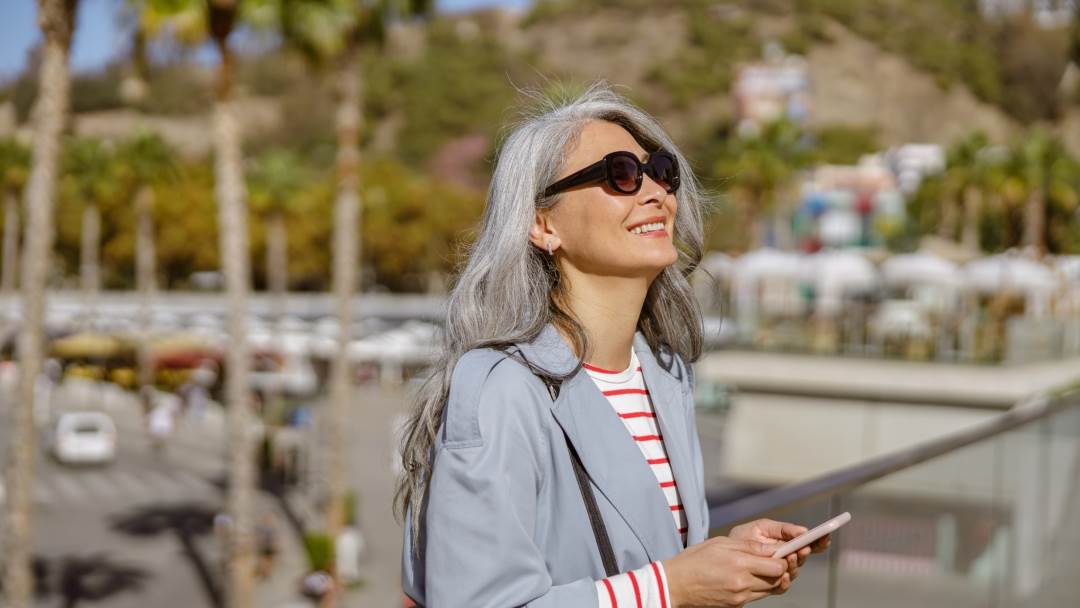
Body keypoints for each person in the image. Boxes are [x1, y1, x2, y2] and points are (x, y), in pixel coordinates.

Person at [395, 85, 831, 608]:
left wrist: (720, 559)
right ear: (543, 224)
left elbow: (641, 560)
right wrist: (674, 585)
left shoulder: (666, 374)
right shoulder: (501, 387)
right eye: (620, 174)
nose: (655, 192)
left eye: (661, 170)